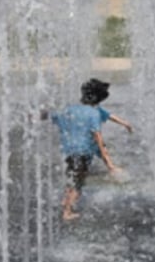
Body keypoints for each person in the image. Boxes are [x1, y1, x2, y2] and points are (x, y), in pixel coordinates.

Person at [43, 78, 125, 221]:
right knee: (78, 184)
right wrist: (109, 164)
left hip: (69, 152)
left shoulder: (70, 109)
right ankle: (67, 212)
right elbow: (98, 138)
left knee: (72, 177)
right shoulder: (93, 113)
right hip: (83, 153)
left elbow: (49, 115)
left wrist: (32, 115)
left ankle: (66, 201)